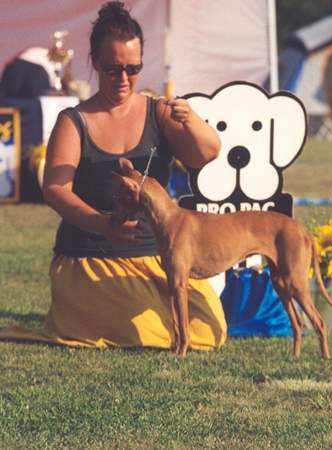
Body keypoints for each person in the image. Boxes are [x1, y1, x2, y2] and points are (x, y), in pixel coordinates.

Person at [0, 1, 226, 351]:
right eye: (112, 69)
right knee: (149, 333)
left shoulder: (160, 112)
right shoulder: (73, 121)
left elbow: (207, 153)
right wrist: (103, 225)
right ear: (94, 62)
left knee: (210, 330)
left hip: (155, 259)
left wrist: (192, 120)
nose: (123, 79)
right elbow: (55, 190)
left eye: (132, 68)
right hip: (91, 259)